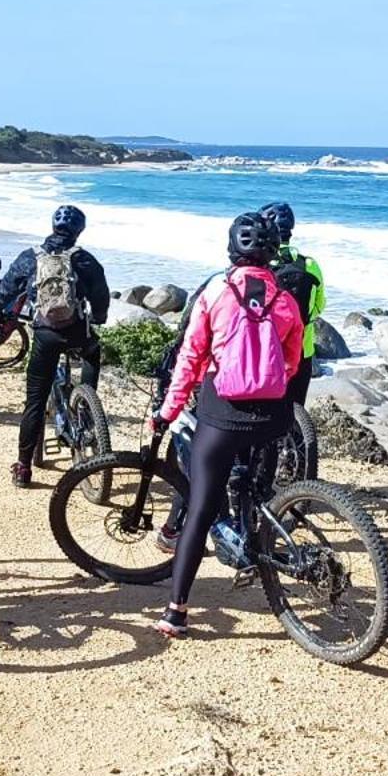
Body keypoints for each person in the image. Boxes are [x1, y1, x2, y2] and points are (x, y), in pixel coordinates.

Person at [148, 213, 304, 638]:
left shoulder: (215, 292)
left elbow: (191, 357)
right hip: (274, 414)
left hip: (223, 412)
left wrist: (168, 409)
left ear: (232, 250)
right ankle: (255, 542)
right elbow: (291, 361)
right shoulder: (285, 298)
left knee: (200, 507)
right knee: (255, 482)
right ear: (272, 253)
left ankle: (176, 611)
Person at [0, 204, 109, 488]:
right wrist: (100, 318)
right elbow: (101, 295)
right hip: (77, 332)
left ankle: (22, 468)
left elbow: (5, 290)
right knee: (93, 352)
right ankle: (87, 405)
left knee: (34, 401)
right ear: (79, 231)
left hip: (45, 335)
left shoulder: (30, 257)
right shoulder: (84, 259)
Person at [260, 201, 325, 407]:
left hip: (267, 351)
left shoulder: (260, 265)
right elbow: (319, 307)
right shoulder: (310, 265)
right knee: (295, 410)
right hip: (302, 352)